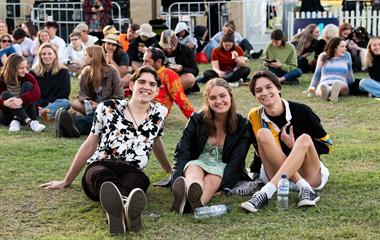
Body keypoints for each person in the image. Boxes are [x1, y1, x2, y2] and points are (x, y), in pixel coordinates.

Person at [40, 66, 172, 235]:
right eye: (142, 82)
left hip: (133, 168)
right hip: (103, 163)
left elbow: (156, 141)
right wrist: (66, 181)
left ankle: (116, 212)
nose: (146, 87)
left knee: (137, 182)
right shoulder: (108, 107)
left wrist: (170, 171)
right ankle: (123, 208)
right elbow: (90, 144)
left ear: (157, 90)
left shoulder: (160, 112)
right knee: (101, 177)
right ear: (131, 85)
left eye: (152, 84)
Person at [240, 70, 333, 213]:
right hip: (276, 175)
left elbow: (327, 146)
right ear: (255, 95)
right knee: (263, 134)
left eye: (269, 87)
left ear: (278, 88)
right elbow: (258, 149)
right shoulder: (254, 115)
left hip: (308, 176)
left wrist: (293, 146)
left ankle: (265, 193)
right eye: (258, 90)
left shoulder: (302, 111)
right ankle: (304, 189)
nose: (264, 93)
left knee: (304, 139)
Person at [171, 78, 252, 214]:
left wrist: (223, 185)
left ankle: (193, 203)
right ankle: (188, 193)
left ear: (230, 96)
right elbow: (183, 151)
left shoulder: (243, 125)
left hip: (223, 167)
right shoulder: (197, 119)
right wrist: (176, 179)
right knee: (193, 171)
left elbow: (237, 160)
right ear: (207, 101)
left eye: (222, 96)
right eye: (213, 98)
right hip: (199, 161)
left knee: (212, 180)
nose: (218, 101)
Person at [57, 45, 124, 138]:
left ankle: (73, 126)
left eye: (86, 56)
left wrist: (101, 105)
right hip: (91, 106)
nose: (83, 58)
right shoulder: (87, 71)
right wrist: (86, 100)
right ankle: (72, 127)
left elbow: (119, 96)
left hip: (109, 106)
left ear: (94, 57)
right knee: (76, 103)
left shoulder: (112, 71)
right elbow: (81, 93)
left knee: (100, 114)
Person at [143, 46, 195, 118]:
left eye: (146, 61)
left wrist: (194, 119)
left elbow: (181, 99)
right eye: (143, 61)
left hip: (154, 113)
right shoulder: (144, 72)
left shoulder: (168, 75)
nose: (143, 65)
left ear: (159, 62)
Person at [0, 53, 45, 132]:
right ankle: (30, 123)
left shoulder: (28, 76)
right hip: (8, 117)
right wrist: (3, 103)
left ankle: (16, 121)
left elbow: (37, 93)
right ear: (12, 68)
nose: (25, 70)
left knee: (28, 85)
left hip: (29, 112)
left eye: (25, 67)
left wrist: (22, 100)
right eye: (21, 68)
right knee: (4, 95)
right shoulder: (1, 79)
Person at [30, 43, 71, 121]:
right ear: (40, 56)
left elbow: (64, 93)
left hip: (56, 103)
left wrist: (49, 104)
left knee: (66, 102)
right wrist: (43, 103)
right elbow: (32, 93)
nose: (46, 56)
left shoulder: (63, 71)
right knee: (29, 102)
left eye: (50, 53)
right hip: (38, 103)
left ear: (55, 55)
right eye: (43, 54)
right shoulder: (33, 73)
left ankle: (41, 113)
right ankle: (46, 113)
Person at [308, 37, 354, 101]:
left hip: (340, 83)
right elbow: (317, 74)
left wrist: (352, 85)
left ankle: (330, 92)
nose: (345, 49)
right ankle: (329, 91)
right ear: (335, 48)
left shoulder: (347, 55)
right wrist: (311, 89)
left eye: (345, 46)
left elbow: (350, 73)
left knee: (343, 88)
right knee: (321, 89)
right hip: (325, 82)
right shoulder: (323, 56)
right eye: (342, 47)